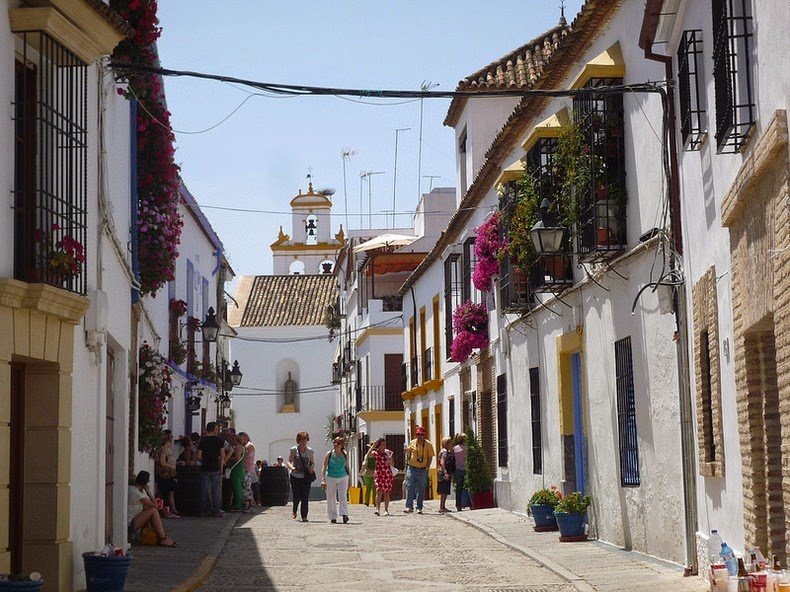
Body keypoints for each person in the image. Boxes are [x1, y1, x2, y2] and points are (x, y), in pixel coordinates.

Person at [128, 471, 176, 547]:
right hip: (130, 525)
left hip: (130, 521)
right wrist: (148, 492)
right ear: (145, 483)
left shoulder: (130, 489)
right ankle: (162, 539)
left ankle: (163, 537)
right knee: (153, 511)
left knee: (149, 510)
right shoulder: (137, 493)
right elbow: (156, 506)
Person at [197, 421, 227, 517]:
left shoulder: (203, 440)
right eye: (217, 428)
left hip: (205, 467)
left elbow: (198, 456)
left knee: (204, 490)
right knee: (215, 490)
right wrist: (221, 466)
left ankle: (203, 511)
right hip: (215, 467)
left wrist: (204, 460)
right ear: (214, 429)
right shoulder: (219, 440)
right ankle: (216, 511)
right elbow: (222, 455)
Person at [404, 426, 434, 514]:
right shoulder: (412, 442)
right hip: (412, 468)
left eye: (421, 434)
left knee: (421, 488)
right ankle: (409, 507)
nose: (419, 436)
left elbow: (430, 457)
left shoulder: (428, 444)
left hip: (422, 469)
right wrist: (408, 452)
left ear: (424, 435)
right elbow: (408, 455)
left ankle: (419, 507)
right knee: (409, 486)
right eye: (418, 434)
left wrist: (427, 467)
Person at [321, 436, 351, 524]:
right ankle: (333, 516)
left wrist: (350, 480)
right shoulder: (329, 454)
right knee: (331, 497)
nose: (335, 444)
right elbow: (324, 467)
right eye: (334, 442)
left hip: (343, 476)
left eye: (338, 443)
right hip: (331, 477)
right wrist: (323, 479)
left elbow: (347, 467)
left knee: (343, 496)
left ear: (342, 445)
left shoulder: (345, 454)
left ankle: (344, 514)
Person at [287, 431, 315, 522]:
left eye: (305, 439)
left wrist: (311, 467)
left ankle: (304, 516)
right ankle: (294, 510)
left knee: (305, 497)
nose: (303, 441)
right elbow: (289, 461)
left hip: (306, 476)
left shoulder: (310, 451)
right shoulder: (294, 449)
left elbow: (312, 462)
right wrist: (292, 468)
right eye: (302, 439)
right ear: (298, 440)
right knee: (296, 496)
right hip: (295, 476)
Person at [156, 430, 180, 517]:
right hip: (166, 474)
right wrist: (171, 467)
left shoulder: (167, 447)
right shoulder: (164, 448)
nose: (172, 437)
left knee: (168, 491)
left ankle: (170, 509)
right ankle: (171, 509)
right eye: (171, 435)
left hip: (168, 473)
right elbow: (162, 462)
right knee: (168, 491)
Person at [224, 431, 246, 512]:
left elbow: (237, 458)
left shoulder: (237, 447)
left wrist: (228, 458)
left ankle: (238, 505)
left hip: (236, 468)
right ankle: (239, 504)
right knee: (239, 487)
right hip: (241, 468)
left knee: (236, 488)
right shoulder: (243, 447)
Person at [372, 438, 395, 516]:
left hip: (387, 474)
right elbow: (368, 455)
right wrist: (373, 446)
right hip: (379, 474)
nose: (384, 446)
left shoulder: (388, 453)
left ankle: (386, 510)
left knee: (386, 492)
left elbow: (392, 464)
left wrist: (390, 459)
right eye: (382, 444)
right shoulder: (375, 453)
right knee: (379, 491)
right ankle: (377, 510)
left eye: (385, 444)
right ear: (379, 445)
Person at [437, 437, 454, 513]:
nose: (452, 444)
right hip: (443, 473)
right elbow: (442, 462)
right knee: (444, 490)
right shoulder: (444, 452)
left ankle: (443, 506)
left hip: (443, 472)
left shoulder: (446, 451)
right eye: (450, 443)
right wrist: (445, 472)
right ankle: (442, 507)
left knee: (445, 490)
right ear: (447, 444)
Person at [453, 433, 469, 511]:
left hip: (457, 470)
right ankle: (466, 503)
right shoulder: (467, 449)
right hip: (466, 470)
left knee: (459, 488)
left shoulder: (454, 449)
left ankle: (458, 505)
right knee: (467, 487)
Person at [360, 442, 377, 506]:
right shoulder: (377, 455)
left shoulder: (367, 455)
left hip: (367, 473)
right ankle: (375, 502)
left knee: (368, 487)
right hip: (375, 472)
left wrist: (361, 472)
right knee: (375, 488)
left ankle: (366, 501)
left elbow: (364, 464)